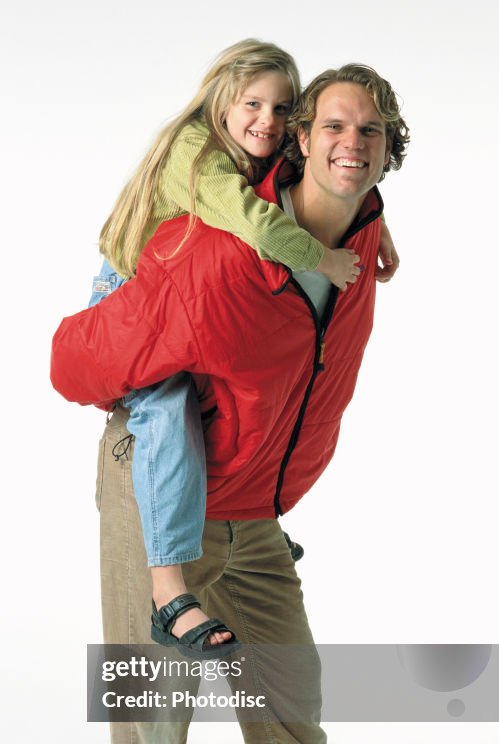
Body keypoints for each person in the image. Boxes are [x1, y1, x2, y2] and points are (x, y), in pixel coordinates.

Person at [51, 63, 448, 744]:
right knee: (153, 720)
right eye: (335, 127)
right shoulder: (223, 255)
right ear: (301, 137)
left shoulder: (359, 248)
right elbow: (79, 358)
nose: (352, 143)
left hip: (253, 518)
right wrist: (152, 407)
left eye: (372, 132)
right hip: (156, 506)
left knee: (291, 713)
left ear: (389, 151)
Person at [87, 38, 399, 655]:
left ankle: (247, 530)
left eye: (283, 109)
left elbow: (332, 173)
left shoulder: (262, 156)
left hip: (230, 462)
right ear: (218, 102)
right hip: (127, 292)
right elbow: (258, 224)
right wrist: (325, 259)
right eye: (251, 104)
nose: (269, 121)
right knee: (166, 405)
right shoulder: (201, 158)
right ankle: (169, 587)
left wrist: (375, 220)